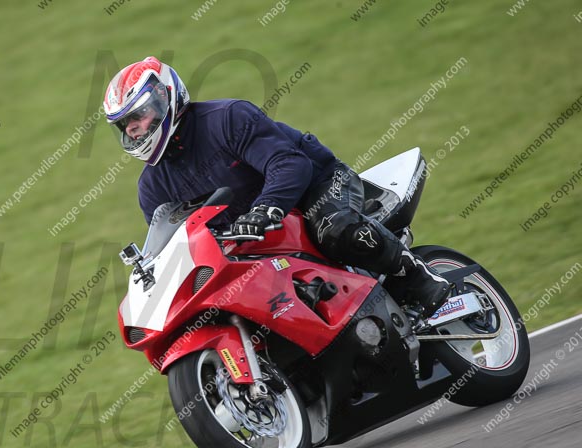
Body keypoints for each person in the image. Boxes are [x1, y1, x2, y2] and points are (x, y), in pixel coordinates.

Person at [103, 56, 450, 318]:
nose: (133, 129)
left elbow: (289, 164)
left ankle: (416, 276)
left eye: (139, 115)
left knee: (335, 228)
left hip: (317, 184)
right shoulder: (151, 188)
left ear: (167, 97)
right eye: (125, 125)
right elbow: (174, 246)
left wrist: (266, 208)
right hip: (253, 241)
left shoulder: (227, 118)